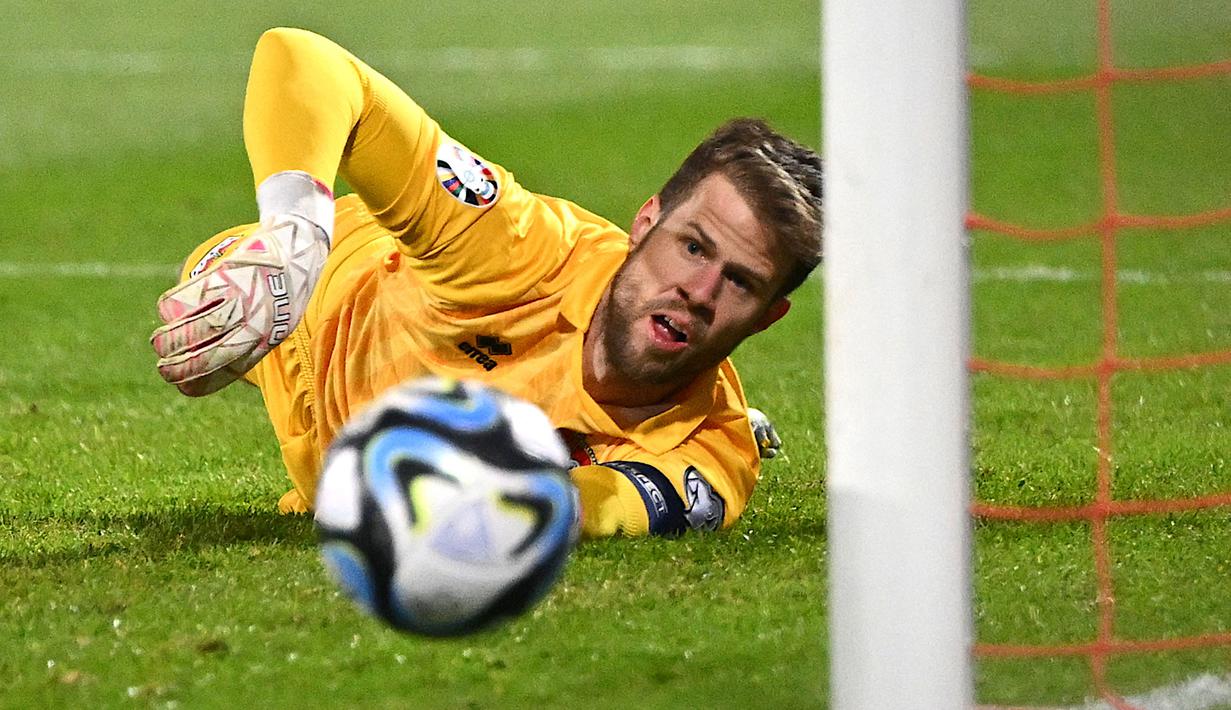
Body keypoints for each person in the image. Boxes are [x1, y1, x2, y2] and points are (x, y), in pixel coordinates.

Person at [150, 28, 822, 538]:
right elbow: (299, 55)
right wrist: (295, 241)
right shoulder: (519, 246)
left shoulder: (709, 456)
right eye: (692, 247)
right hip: (321, 310)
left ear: (767, 317)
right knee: (208, 296)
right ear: (644, 224)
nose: (697, 292)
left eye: (737, 282)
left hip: (343, 462)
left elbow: (591, 514)